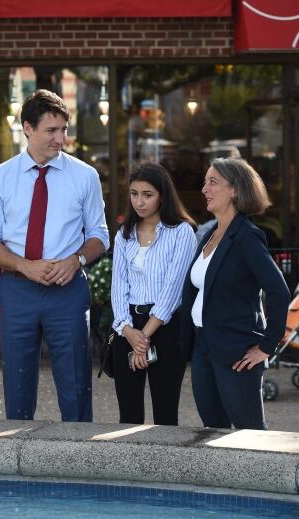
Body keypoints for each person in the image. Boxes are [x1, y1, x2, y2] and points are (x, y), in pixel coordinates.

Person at [0, 89, 110, 422]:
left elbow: (100, 236)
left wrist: (76, 260)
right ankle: (19, 460)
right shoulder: (1, 177)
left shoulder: (85, 176)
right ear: (27, 128)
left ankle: (79, 461)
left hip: (67, 291)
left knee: (76, 384)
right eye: (51, 131)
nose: (60, 138)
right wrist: (26, 266)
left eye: (64, 130)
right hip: (17, 289)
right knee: (18, 387)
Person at [181, 158, 289, 430]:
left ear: (236, 190)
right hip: (203, 345)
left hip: (236, 350)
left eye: (213, 182)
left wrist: (267, 346)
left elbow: (278, 290)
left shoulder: (247, 236)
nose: (205, 188)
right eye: (205, 181)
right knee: (214, 432)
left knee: (250, 437)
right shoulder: (210, 235)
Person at [110, 162, 197, 425]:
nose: (139, 201)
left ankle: (164, 465)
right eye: (134, 193)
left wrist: (143, 337)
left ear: (163, 195)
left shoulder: (181, 232)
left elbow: (172, 291)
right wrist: (127, 330)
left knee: (166, 413)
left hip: (166, 328)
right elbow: (118, 287)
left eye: (147, 194)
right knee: (128, 414)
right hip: (128, 328)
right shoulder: (124, 235)